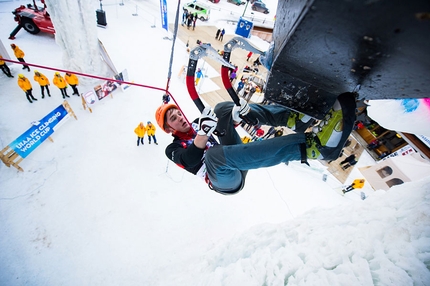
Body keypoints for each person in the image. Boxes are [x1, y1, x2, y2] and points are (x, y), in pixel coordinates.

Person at [155, 92, 355, 194]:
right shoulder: (172, 149)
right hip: (224, 180)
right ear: (169, 129)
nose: (179, 118)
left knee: (221, 109)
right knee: (213, 157)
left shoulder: (199, 125)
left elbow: (223, 127)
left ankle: (291, 118)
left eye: (178, 113)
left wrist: (234, 115)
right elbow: (189, 159)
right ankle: (311, 147)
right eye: (173, 119)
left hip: (233, 160)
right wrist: (203, 133)